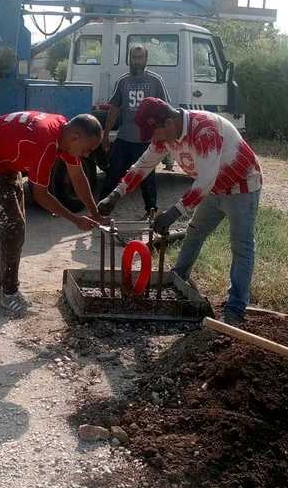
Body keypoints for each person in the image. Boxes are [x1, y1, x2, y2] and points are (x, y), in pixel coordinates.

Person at [98, 97, 262, 325]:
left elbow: (205, 179)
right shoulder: (164, 136)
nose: (154, 140)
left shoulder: (204, 129)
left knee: (241, 246)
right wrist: (116, 194)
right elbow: (143, 166)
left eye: (155, 132)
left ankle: (235, 307)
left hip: (241, 185)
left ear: (168, 122)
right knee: (195, 232)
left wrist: (173, 213)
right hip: (214, 189)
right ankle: (177, 278)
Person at [0, 110, 103, 315]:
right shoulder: (46, 142)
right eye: (88, 148)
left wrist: (95, 213)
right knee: (13, 229)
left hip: (5, 164)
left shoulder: (63, 132)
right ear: (76, 137)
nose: (87, 154)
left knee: (8, 227)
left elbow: (78, 176)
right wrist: (75, 219)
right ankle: (9, 295)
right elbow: (40, 195)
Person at [100, 44, 170, 217]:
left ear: (146, 60)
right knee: (113, 173)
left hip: (146, 140)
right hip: (125, 138)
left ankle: (151, 211)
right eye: (134, 57)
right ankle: (101, 209)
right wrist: (106, 133)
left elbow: (165, 109)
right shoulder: (123, 81)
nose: (137, 61)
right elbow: (114, 108)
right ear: (129, 59)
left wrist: (162, 134)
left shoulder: (155, 81)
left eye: (140, 58)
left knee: (147, 177)